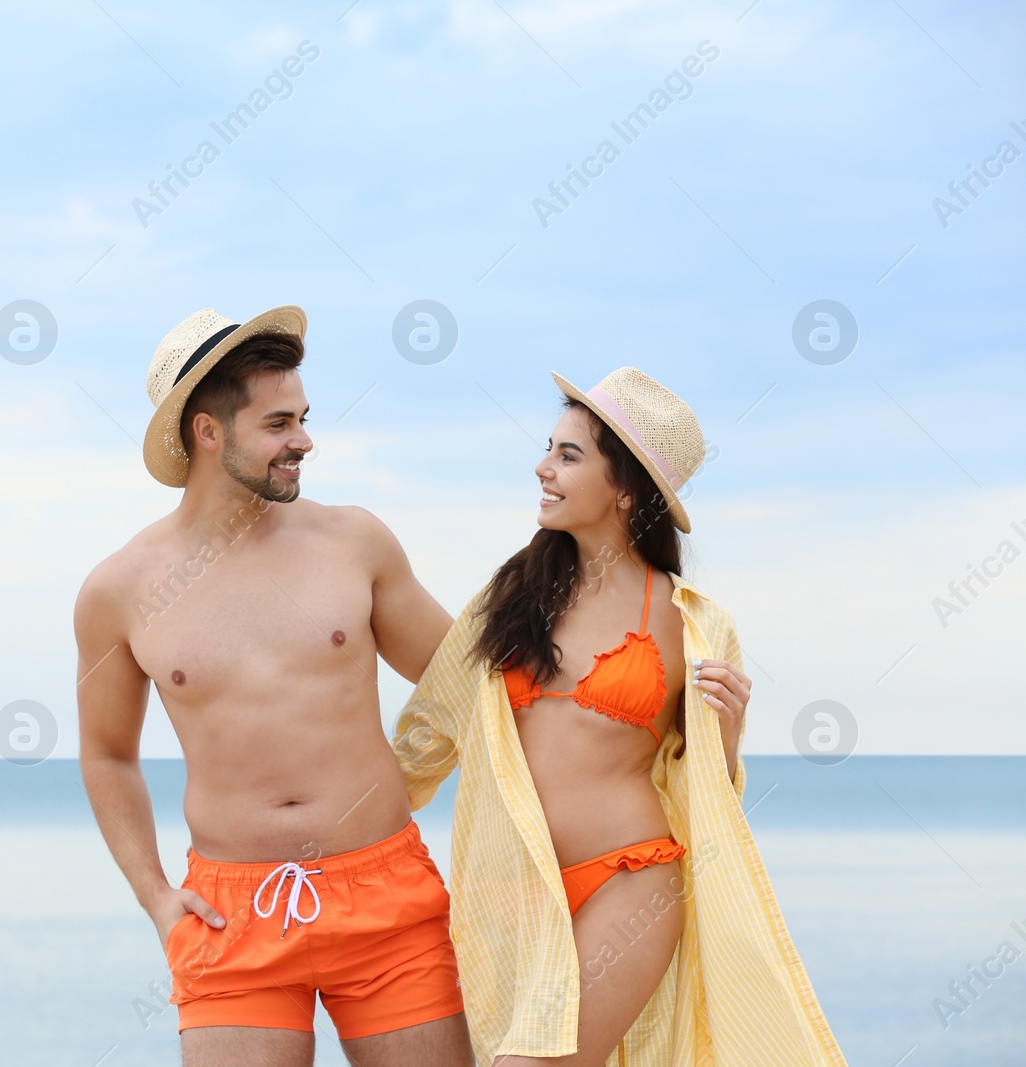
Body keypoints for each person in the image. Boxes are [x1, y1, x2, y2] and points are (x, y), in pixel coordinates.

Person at [391, 367, 848, 1065]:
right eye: (550, 447)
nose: (542, 467)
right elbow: (428, 734)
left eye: (569, 455)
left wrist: (726, 737)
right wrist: (325, 832)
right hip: (513, 891)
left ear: (627, 488)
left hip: (631, 883)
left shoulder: (692, 623)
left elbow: (710, 795)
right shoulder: (511, 598)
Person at [74, 306, 474, 1066]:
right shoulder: (118, 589)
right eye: (280, 422)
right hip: (231, 916)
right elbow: (106, 755)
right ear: (208, 432)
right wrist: (158, 899)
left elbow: (472, 675)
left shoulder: (353, 541)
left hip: (386, 895)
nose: (304, 440)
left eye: (304, 418)